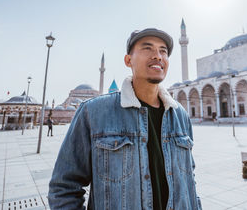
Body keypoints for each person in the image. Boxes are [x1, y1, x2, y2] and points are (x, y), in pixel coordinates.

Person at [48, 28, 201, 210]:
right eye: (148, 48)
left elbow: (189, 181)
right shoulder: (94, 112)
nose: (158, 56)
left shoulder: (180, 115)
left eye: (163, 51)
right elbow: (64, 187)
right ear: (128, 60)